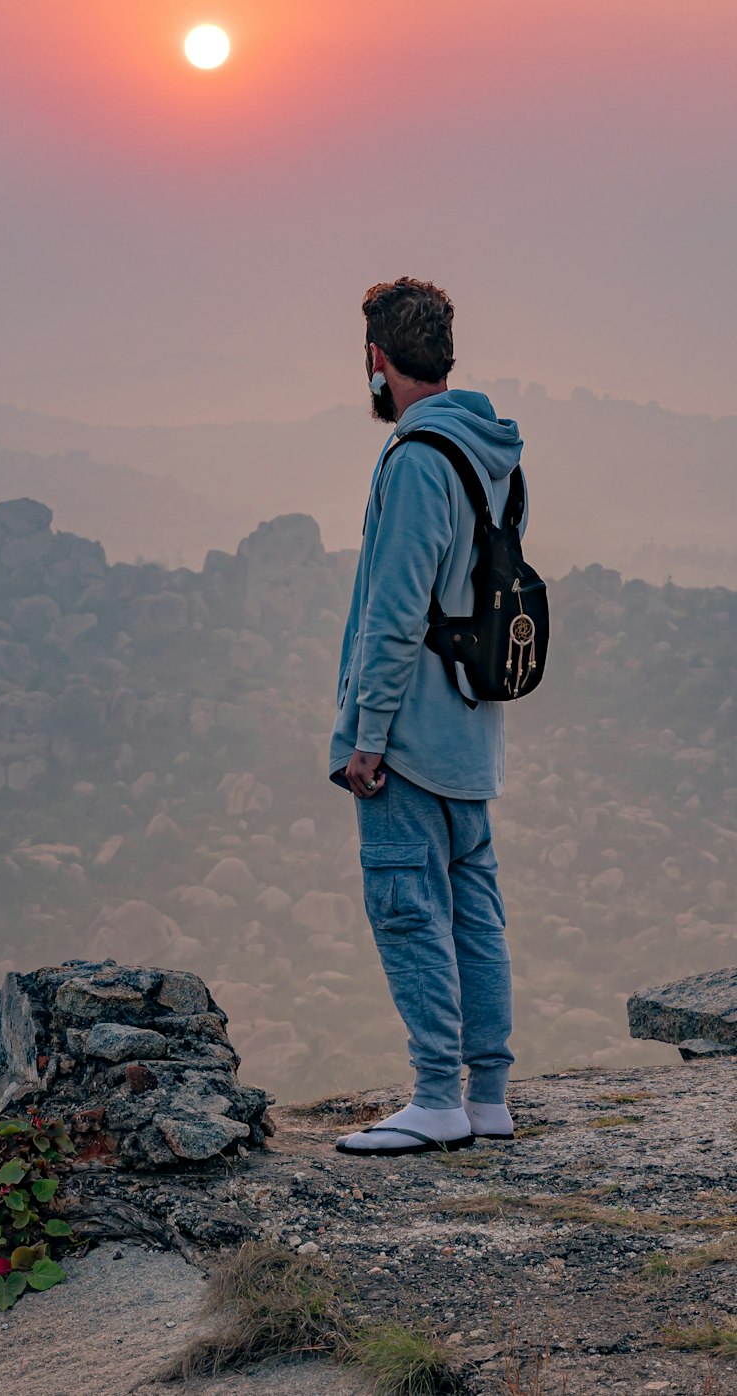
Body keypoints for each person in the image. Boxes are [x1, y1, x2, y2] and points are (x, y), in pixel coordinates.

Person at [329, 276, 523, 1155]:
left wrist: (368, 738)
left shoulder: (415, 461)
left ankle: (437, 1099)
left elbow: (395, 614)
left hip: (408, 740)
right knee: (474, 916)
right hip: (473, 731)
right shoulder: (495, 455)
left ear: (378, 361)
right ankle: (487, 1097)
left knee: (409, 909)